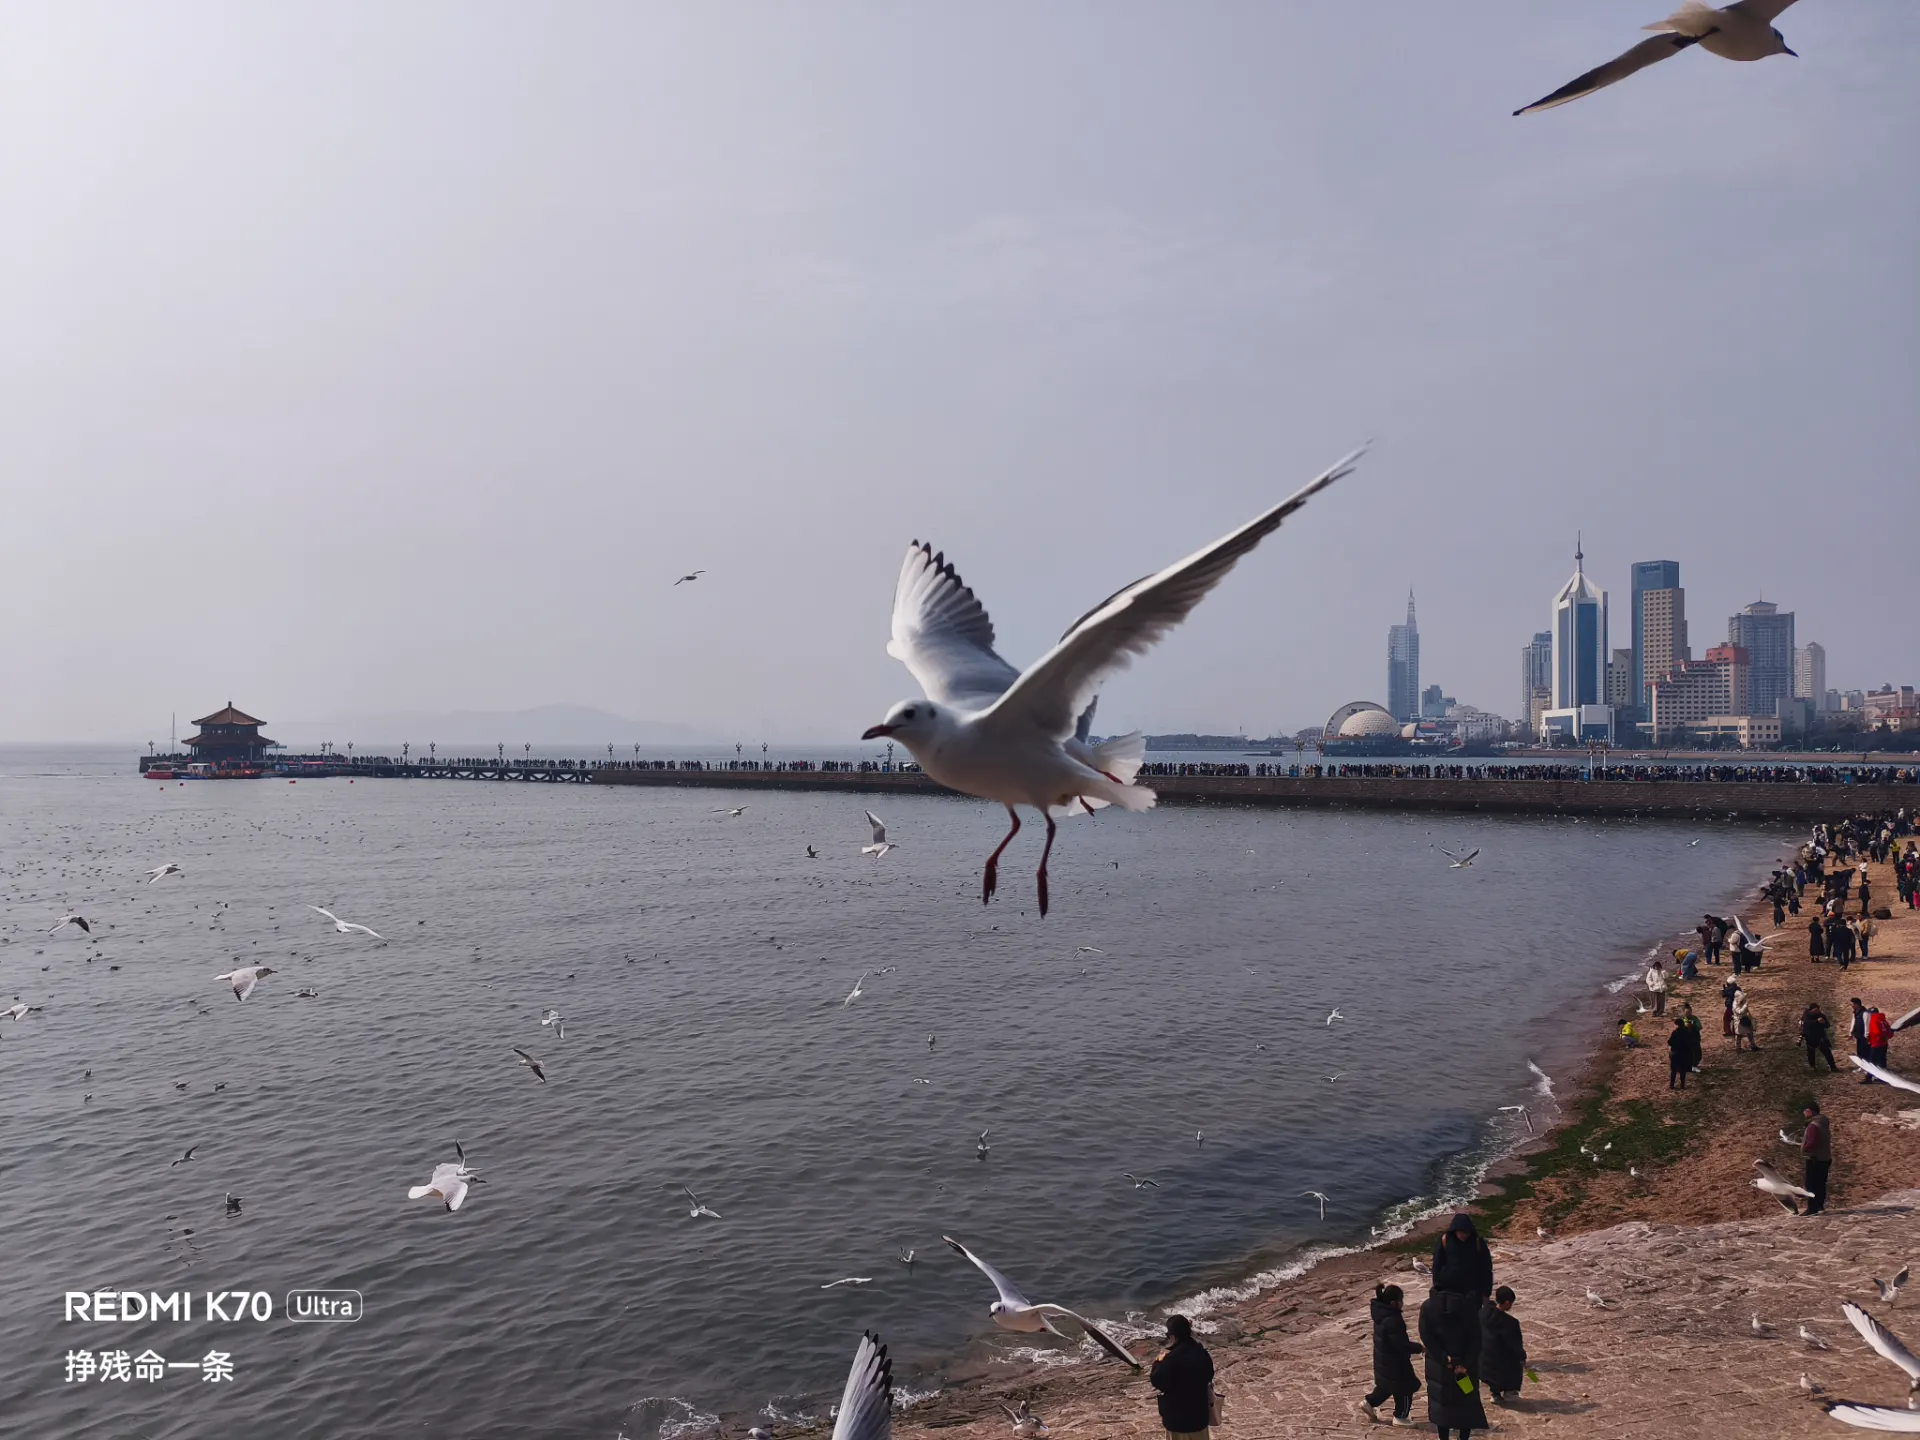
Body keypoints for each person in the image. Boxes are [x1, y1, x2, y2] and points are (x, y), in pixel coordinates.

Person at [1419, 1285, 1488, 1440]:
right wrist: (1464, 1363)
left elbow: (1427, 1336)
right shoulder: (1469, 1307)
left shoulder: (1427, 1307)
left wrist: (1444, 1358)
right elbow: (1476, 1339)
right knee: (1466, 1403)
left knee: (1443, 1405)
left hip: (1440, 1368)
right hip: (1465, 1370)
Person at [1361, 1282, 1422, 1426]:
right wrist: (1420, 1348)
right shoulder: (1394, 1320)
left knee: (1388, 1385)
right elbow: (1401, 1345)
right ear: (1394, 1302)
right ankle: (1401, 1416)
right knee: (1407, 1386)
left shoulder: (1380, 1314)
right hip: (1395, 1361)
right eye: (1401, 1300)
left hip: (1384, 1358)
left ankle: (1369, 1403)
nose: (1403, 1304)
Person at [1150, 1315, 1214, 1440]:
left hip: (1177, 1421)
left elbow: (1157, 1380)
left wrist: (1158, 1361)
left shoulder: (1170, 1359)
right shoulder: (1201, 1353)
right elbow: (1209, 1375)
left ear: (1173, 1336)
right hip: (1199, 1417)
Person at [1479, 1286, 1527, 1406]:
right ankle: (1510, 1391)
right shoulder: (1510, 1323)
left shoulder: (1482, 1313)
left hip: (1482, 1358)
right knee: (1515, 1362)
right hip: (1498, 1362)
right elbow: (1515, 1345)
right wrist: (1522, 1357)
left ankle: (1495, 1393)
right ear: (1506, 1302)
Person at [1431, 1214, 1494, 1301]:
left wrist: (1486, 1292)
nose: (1464, 1235)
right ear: (1455, 1230)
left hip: (1472, 1292)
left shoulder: (1477, 1242)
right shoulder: (1444, 1240)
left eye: (1467, 1233)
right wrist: (1436, 1288)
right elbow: (1437, 1265)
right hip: (1449, 1292)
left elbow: (1486, 1268)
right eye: (1461, 1233)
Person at [1801, 1101, 1832, 1216]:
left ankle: (1812, 1208)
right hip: (1825, 1158)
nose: (1804, 1113)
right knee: (1821, 1184)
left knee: (1811, 1184)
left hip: (1814, 1158)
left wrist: (1804, 1148)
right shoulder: (1823, 1123)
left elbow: (1812, 1142)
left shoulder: (1813, 1125)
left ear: (1809, 1111)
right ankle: (1819, 1205)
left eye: (1805, 1111)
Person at [1802, 1004, 1838, 1072]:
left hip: (1820, 1037)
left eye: (1818, 1010)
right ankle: (1812, 1067)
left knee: (1827, 1052)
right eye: (1815, 1010)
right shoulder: (1806, 1015)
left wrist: (1823, 1022)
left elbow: (1827, 1025)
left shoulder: (1821, 1015)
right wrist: (1817, 1021)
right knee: (1811, 1053)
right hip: (1810, 1037)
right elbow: (1807, 1023)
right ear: (1811, 1010)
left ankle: (1833, 1067)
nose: (1817, 1011)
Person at [1667, 1016, 1691, 1089]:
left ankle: (1672, 1085)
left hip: (1675, 1053)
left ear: (1677, 1025)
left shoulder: (1675, 1032)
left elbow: (1669, 1042)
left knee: (1673, 1070)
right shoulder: (1687, 1032)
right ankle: (1682, 1085)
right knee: (1683, 1070)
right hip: (1684, 1054)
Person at [1867, 1006, 1892, 1077]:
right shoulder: (1883, 1019)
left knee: (1872, 1061)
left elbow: (1876, 1032)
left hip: (1876, 1043)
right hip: (1884, 1043)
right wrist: (1886, 1037)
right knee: (1882, 1061)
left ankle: (1869, 1077)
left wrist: (1870, 1039)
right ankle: (1883, 1077)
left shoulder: (1873, 1019)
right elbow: (1890, 1031)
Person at [1733, 986, 1759, 1051]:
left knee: (1750, 1032)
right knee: (1739, 1034)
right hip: (1739, 1021)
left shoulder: (1742, 1001)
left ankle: (1753, 1046)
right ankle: (1738, 1047)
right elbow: (1739, 1012)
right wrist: (1745, 1007)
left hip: (1745, 1019)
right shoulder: (1735, 1004)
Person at [1850, 998, 1870, 1070]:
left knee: (1865, 1052)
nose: (1852, 1006)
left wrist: (1867, 1036)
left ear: (1856, 1004)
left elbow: (1866, 1024)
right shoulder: (1855, 1012)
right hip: (1858, 1036)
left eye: (1852, 1004)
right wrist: (1851, 1032)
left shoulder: (1865, 1013)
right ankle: (1862, 1066)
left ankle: (1867, 1067)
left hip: (1864, 1037)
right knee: (1859, 1052)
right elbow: (1853, 1022)